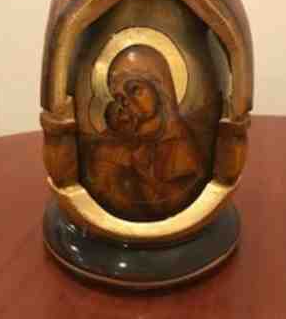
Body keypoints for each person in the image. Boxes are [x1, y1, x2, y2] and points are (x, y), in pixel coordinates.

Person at [85, 45, 206, 221]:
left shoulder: (178, 142)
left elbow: (176, 202)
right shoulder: (111, 140)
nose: (127, 102)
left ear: (159, 87)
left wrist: (141, 171)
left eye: (135, 89)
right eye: (120, 98)